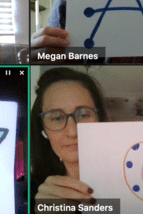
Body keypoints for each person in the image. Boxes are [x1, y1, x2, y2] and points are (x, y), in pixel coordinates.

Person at [30, 68, 108, 213]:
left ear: (99, 119)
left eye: (84, 115)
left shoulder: (127, 178)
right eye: (57, 118)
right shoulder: (29, 192)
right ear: (43, 130)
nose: (72, 132)